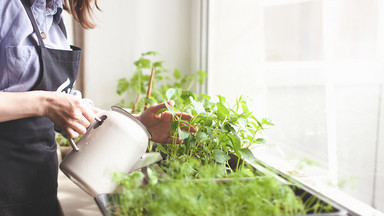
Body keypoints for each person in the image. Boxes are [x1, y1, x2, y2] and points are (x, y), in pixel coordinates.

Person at [0, 0, 195, 215]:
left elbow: (69, 107)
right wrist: (45, 103)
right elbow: (51, 102)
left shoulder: (54, 18)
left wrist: (136, 125)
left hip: (36, 187)